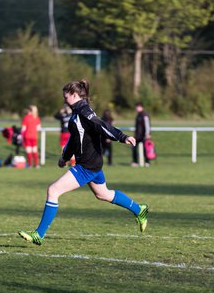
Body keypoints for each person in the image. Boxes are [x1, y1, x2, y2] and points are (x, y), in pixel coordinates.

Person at [19, 79, 149, 246]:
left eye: (65, 96)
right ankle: (139, 209)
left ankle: (39, 234)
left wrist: (122, 137)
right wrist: (65, 157)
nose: (64, 99)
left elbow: (101, 125)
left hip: (87, 165)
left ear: (74, 95)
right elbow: (74, 139)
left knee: (53, 190)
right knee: (103, 194)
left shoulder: (83, 110)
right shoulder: (76, 112)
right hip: (91, 162)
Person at [131, 102, 151, 167]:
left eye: (137, 107)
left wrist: (147, 134)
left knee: (146, 149)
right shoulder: (138, 115)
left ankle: (147, 162)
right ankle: (135, 162)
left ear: (141, 107)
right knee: (133, 147)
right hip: (138, 135)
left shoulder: (144, 114)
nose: (136, 108)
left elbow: (147, 125)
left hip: (144, 136)